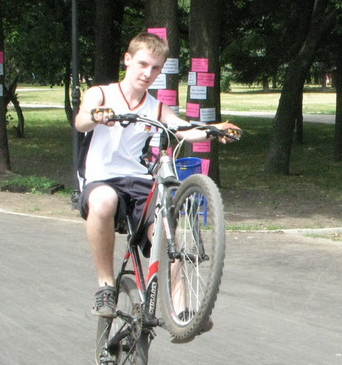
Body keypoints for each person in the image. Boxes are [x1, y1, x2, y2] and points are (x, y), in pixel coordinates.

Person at [75, 31, 240, 326]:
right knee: (104, 200)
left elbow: (183, 129)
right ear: (127, 60)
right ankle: (105, 288)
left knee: (166, 232)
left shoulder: (156, 107)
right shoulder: (101, 94)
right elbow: (81, 120)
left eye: (155, 69)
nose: (147, 73)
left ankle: (182, 311)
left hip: (139, 181)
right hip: (102, 179)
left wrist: (215, 130)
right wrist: (97, 116)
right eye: (142, 64)